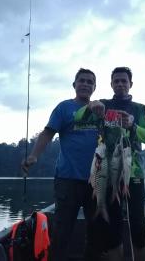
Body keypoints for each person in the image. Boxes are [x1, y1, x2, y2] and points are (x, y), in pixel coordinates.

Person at [21, 68, 102, 261]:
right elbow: (48, 133)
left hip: (97, 180)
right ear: (74, 85)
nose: (85, 84)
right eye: (81, 80)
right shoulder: (63, 108)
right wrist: (34, 156)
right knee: (62, 231)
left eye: (90, 82)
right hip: (67, 180)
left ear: (94, 87)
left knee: (96, 230)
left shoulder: (100, 110)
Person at [85, 67, 145, 261]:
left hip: (135, 173)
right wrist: (91, 105)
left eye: (124, 81)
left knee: (139, 224)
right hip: (109, 172)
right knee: (113, 223)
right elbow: (79, 116)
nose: (120, 84)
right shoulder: (104, 105)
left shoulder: (140, 109)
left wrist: (133, 125)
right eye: (116, 81)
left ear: (131, 84)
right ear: (111, 84)